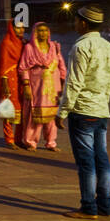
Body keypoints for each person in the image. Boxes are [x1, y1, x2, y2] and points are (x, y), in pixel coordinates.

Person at [58, 6, 110, 218]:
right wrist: (103, 104)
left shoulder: (81, 47)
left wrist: (62, 111)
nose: (75, 24)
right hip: (101, 110)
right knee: (102, 159)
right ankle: (104, 205)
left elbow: (74, 83)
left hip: (83, 110)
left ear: (83, 23)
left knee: (86, 162)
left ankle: (88, 207)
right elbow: (109, 83)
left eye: (76, 21)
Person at [17, 23, 65, 151]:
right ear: (35, 33)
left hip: (53, 85)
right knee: (35, 114)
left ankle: (51, 142)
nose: (43, 33)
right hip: (36, 85)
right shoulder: (29, 48)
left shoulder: (54, 46)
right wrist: (26, 85)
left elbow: (61, 64)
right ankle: (31, 142)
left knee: (52, 114)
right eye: (40, 31)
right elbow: (23, 68)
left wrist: (63, 81)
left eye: (45, 30)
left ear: (48, 32)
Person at [0, 22, 25, 146]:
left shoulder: (23, 42)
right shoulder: (7, 43)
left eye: (22, 27)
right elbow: (3, 63)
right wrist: (4, 83)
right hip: (9, 78)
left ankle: (18, 139)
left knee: (22, 109)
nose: (21, 30)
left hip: (21, 78)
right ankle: (9, 139)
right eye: (18, 27)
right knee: (9, 108)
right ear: (12, 28)